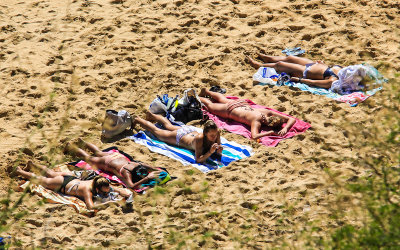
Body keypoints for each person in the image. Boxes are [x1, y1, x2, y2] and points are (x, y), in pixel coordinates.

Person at [14, 161, 131, 210]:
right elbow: (90, 207)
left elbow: (115, 188)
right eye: (104, 192)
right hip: (63, 183)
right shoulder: (88, 190)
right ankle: (19, 171)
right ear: (96, 189)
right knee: (42, 180)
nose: (106, 193)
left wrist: (122, 195)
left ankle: (32, 164)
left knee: (51, 173)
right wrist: (110, 203)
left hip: (71, 178)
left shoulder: (99, 182)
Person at [66, 139, 166, 190]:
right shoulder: (127, 172)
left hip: (117, 156)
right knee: (89, 158)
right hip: (108, 163)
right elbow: (131, 186)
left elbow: (156, 169)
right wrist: (147, 178)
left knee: (99, 152)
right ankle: (70, 147)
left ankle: (83, 142)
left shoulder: (139, 164)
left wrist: (152, 173)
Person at [198, 88, 296, 140]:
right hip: (230, 110)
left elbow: (292, 119)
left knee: (223, 99)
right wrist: (270, 132)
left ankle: (207, 91)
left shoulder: (267, 112)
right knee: (210, 106)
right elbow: (254, 136)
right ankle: (196, 97)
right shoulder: (257, 121)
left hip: (241, 103)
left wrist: (285, 128)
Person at [133, 111, 223, 163]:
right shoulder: (200, 139)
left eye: (215, 135)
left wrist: (219, 151)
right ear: (205, 133)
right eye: (211, 135)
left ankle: (152, 116)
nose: (214, 137)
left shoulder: (216, 133)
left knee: (169, 126)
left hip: (190, 131)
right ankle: (138, 119)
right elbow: (198, 159)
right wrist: (210, 152)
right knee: (157, 132)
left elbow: (218, 149)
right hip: (180, 137)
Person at [246, 53, 343, 89]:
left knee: (281, 65)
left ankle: (259, 65)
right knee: (290, 58)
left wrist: (300, 80)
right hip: (313, 64)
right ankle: (268, 58)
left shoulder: (334, 80)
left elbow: (316, 82)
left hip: (305, 72)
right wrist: (321, 63)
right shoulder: (345, 70)